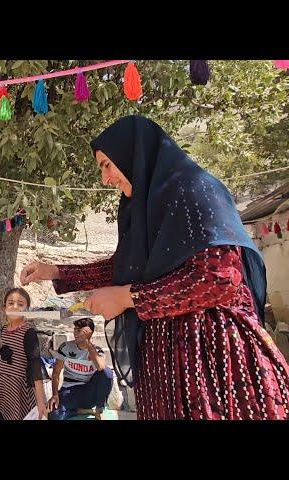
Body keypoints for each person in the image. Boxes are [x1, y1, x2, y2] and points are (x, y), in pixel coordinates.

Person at [20, 115, 289, 420]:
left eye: (107, 165)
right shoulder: (145, 210)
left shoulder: (196, 191)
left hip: (214, 366)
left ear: (133, 153)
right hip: (164, 374)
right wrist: (55, 271)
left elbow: (218, 278)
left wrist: (127, 297)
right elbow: (125, 267)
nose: (105, 179)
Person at [0, 287, 48, 420]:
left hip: (19, 387)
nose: (15, 307)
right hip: (3, 382)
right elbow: (10, 351)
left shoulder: (28, 333)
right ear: (4, 307)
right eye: (10, 303)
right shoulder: (4, 329)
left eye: (20, 304)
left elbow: (35, 366)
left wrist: (41, 401)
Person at [47, 318, 113, 420]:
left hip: (89, 392)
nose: (76, 333)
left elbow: (102, 368)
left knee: (107, 372)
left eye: (80, 331)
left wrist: (88, 344)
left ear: (89, 333)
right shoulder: (65, 347)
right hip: (69, 392)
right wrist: (55, 395)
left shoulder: (97, 350)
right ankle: (79, 411)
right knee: (54, 415)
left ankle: (100, 410)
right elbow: (56, 373)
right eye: (75, 329)